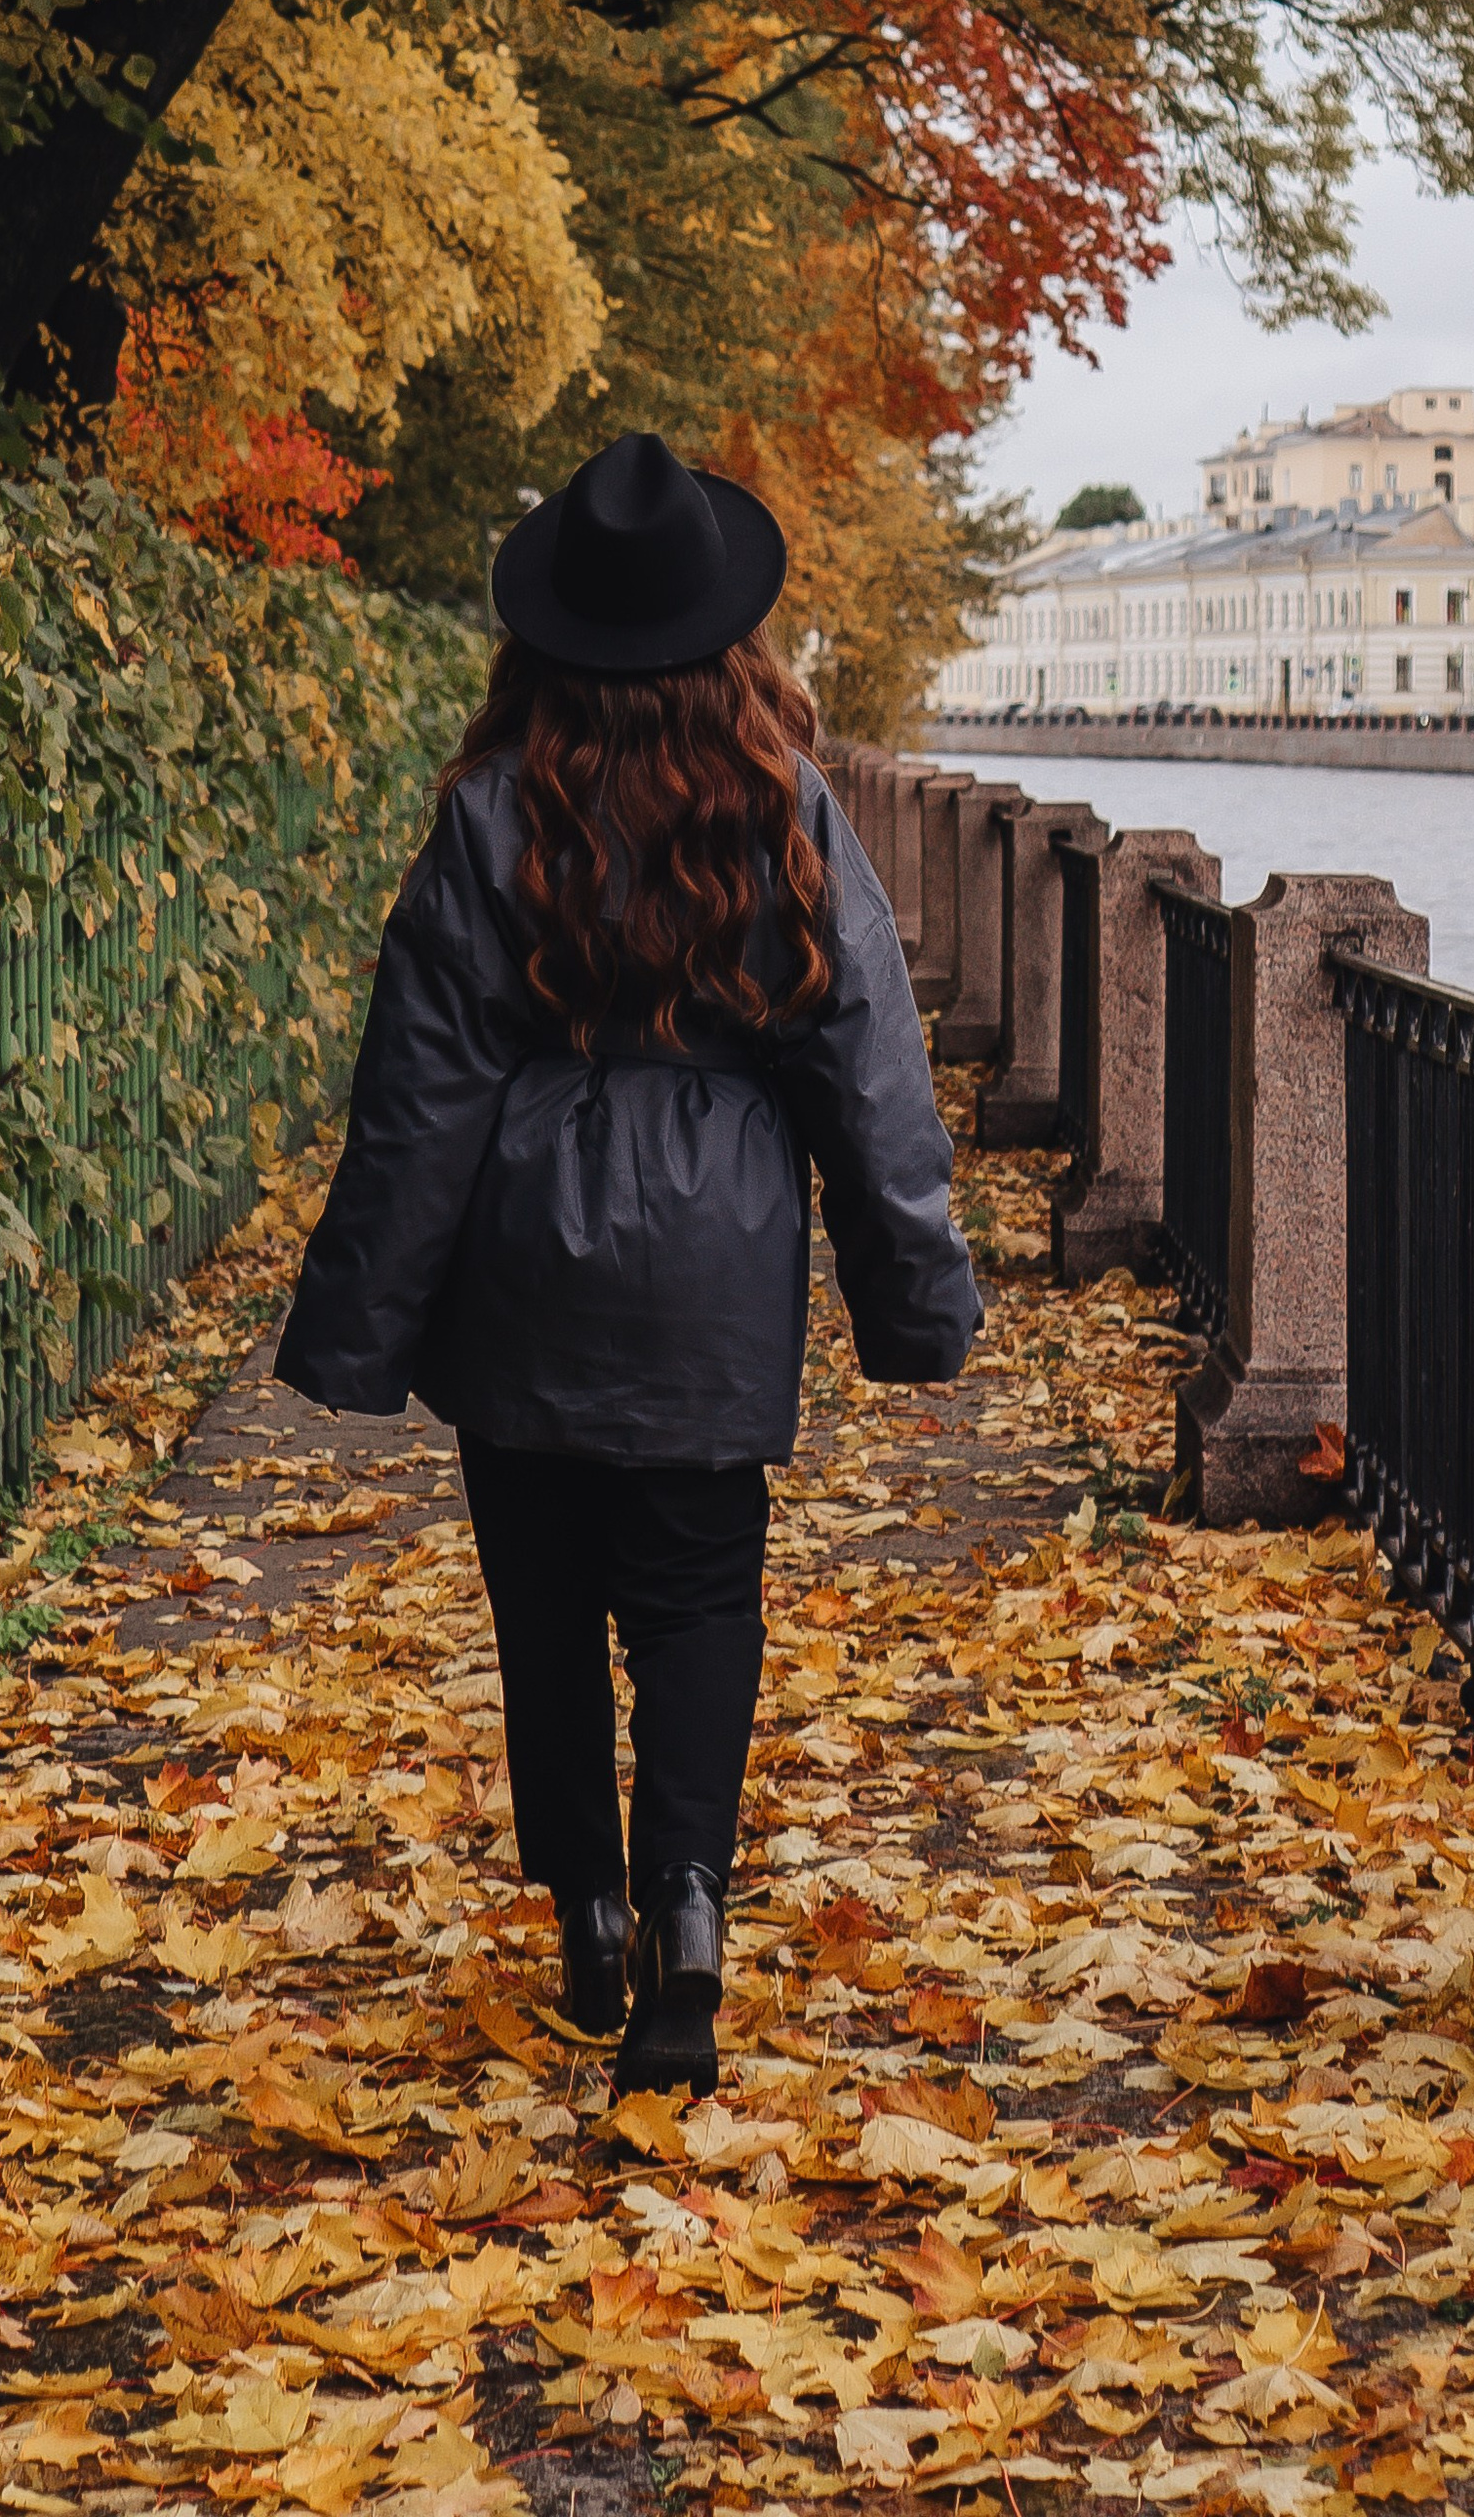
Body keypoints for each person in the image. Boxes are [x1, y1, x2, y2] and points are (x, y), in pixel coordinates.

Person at [273, 431, 979, 2094]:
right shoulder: (783, 805)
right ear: (728, 636)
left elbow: (421, 1093)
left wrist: (363, 1326)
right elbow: (866, 1068)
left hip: (521, 1257)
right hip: (718, 1267)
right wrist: (913, 1297)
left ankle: (585, 1908)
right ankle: (686, 1908)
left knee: (545, 1605)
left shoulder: (489, 814)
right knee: (696, 1596)